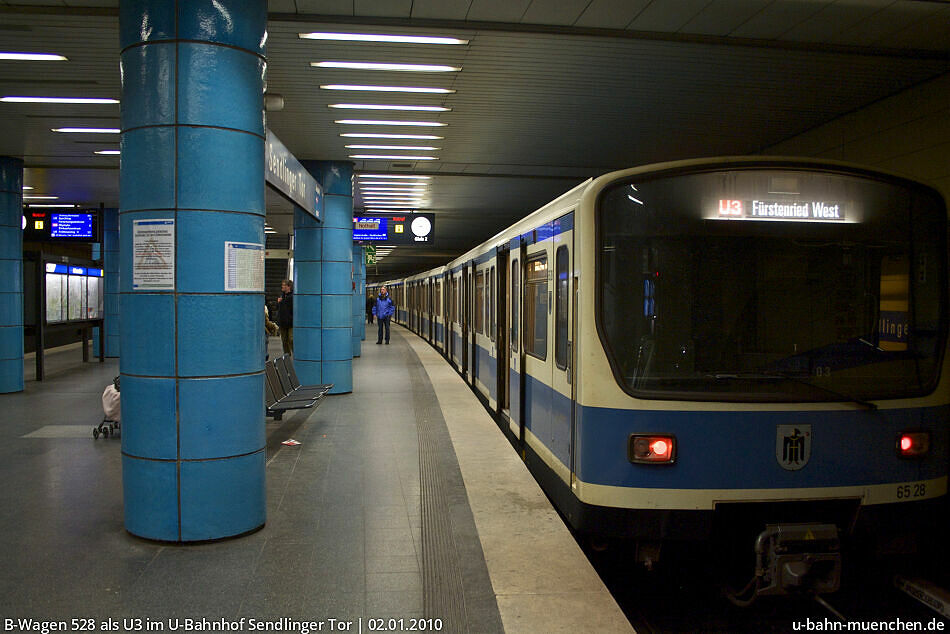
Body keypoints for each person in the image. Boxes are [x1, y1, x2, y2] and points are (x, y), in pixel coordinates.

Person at [276, 279, 294, 354]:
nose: (282, 286)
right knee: (284, 340)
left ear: (289, 287)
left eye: (284, 285)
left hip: (290, 322)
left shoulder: (292, 297)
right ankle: (287, 355)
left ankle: (295, 354)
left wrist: (281, 302)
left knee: (291, 339)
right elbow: (278, 308)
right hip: (283, 321)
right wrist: (279, 303)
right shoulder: (282, 296)